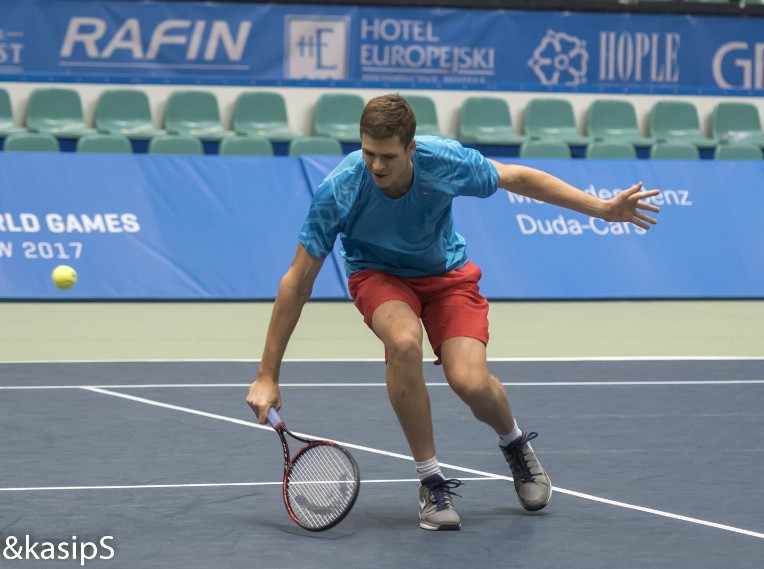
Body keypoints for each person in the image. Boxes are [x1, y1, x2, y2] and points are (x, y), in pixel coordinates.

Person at [246, 93, 660, 531]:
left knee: (471, 382)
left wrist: (603, 209)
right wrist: (268, 373)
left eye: (387, 156)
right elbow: (297, 281)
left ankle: (515, 444)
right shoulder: (341, 189)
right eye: (368, 153)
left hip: (446, 276)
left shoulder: (443, 161)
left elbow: (518, 178)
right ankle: (431, 480)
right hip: (379, 275)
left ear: (411, 149)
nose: (376, 166)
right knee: (403, 342)